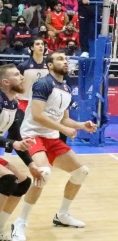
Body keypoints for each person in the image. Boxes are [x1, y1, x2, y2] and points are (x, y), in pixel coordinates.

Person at [11, 52, 97, 240]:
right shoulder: (43, 84)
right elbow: (38, 116)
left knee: (81, 171)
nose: (65, 61)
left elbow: (64, 119)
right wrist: (64, 130)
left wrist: (82, 125)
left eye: (66, 59)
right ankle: (20, 223)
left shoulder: (66, 87)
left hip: (51, 137)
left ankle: (62, 215)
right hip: (32, 135)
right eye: (60, 59)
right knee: (43, 174)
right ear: (50, 65)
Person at [0, 64, 44, 240]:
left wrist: (31, 164)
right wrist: (13, 144)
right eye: (17, 75)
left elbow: (15, 135)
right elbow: (13, 141)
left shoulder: (14, 104)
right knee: (8, 178)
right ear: (5, 81)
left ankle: (1, 228)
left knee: (23, 182)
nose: (22, 77)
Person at [14, 39, 48, 142]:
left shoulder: (49, 65)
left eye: (42, 44)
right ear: (32, 48)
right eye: (37, 44)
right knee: (16, 128)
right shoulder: (23, 66)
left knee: (43, 130)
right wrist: (15, 94)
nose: (41, 46)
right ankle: (9, 152)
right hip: (24, 102)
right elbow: (15, 82)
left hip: (42, 103)